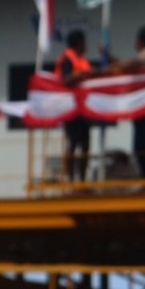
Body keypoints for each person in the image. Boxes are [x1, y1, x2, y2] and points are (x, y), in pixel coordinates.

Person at [112, 26, 145, 180]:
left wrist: (110, 60)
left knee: (144, 144)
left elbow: (128, 65)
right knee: (142, 143)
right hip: (143, 106)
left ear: (140, 41)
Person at [54, 29, 94, 181]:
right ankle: (71, 180)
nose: (86, 45)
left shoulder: (83, 60)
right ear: (79, 43)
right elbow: (65, 80)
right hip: (71, 109)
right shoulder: (68, 59)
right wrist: (79, 75)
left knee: (85, 145)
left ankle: (82, 180)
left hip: (84, 109)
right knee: (72, 144)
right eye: (84, 42)